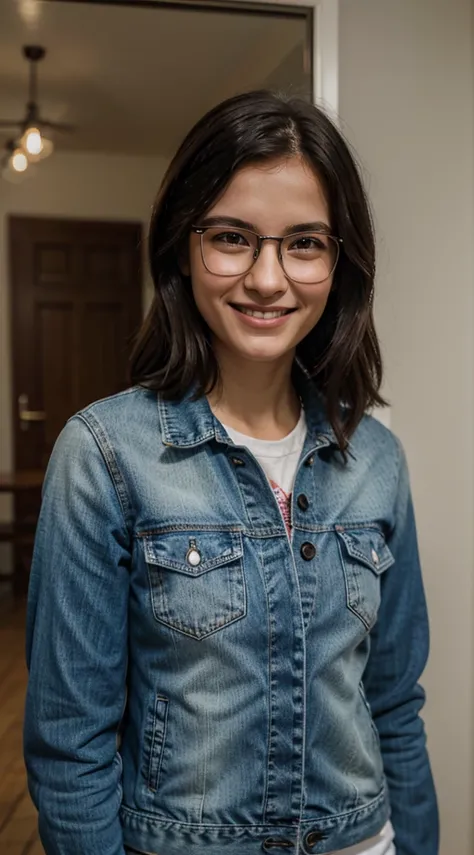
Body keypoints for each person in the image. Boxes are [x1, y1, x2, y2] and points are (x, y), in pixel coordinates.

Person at [24, 90, 438, 855]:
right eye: (232, 237)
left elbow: (393, 705)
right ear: (183, 247)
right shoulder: (105, 456)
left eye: (304, 243)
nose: (268, 278)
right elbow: (68, 743)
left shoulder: (377, 459)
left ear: (339, 261)